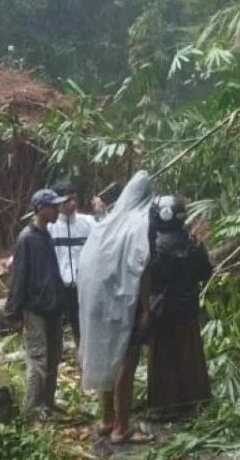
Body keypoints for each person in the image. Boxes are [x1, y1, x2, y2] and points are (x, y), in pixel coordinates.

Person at [77, 172, 157, 444]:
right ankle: (122, 428)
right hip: (124, 302)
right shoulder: (139, 223)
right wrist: (146, 307)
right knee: (127, 362)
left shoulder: (107, 223)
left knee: (105, 354)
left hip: (98, 303)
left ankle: (106, 419)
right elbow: (141, 266)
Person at [145, 195, 213, 421]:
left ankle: (163, 406)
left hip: (161, 310)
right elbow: (206, 271)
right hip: (187, 308)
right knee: (188, 353)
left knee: (163, 356)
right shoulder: (193, 242)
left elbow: (146, 277)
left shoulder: (152, 245)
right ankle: (193, 403)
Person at [4, 188, 67, 417]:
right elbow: (18, 277)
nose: (58, 209)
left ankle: (47, 407)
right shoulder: (27, 239)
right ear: (41, 209)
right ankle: (30, 413)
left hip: (52, 308)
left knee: (54, 358)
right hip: (35, 310)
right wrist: (13, 313)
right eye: (54, 206)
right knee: (38, 361)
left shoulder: (45, 234)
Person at [50, 179, 93, 353]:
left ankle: (82, 358)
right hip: (57, 286)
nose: (73, 204)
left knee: (80, 326)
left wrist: (103, 215)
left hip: (81, 285)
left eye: (74, 199)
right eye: (68, 200)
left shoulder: (88, 223)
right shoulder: (50, 226)